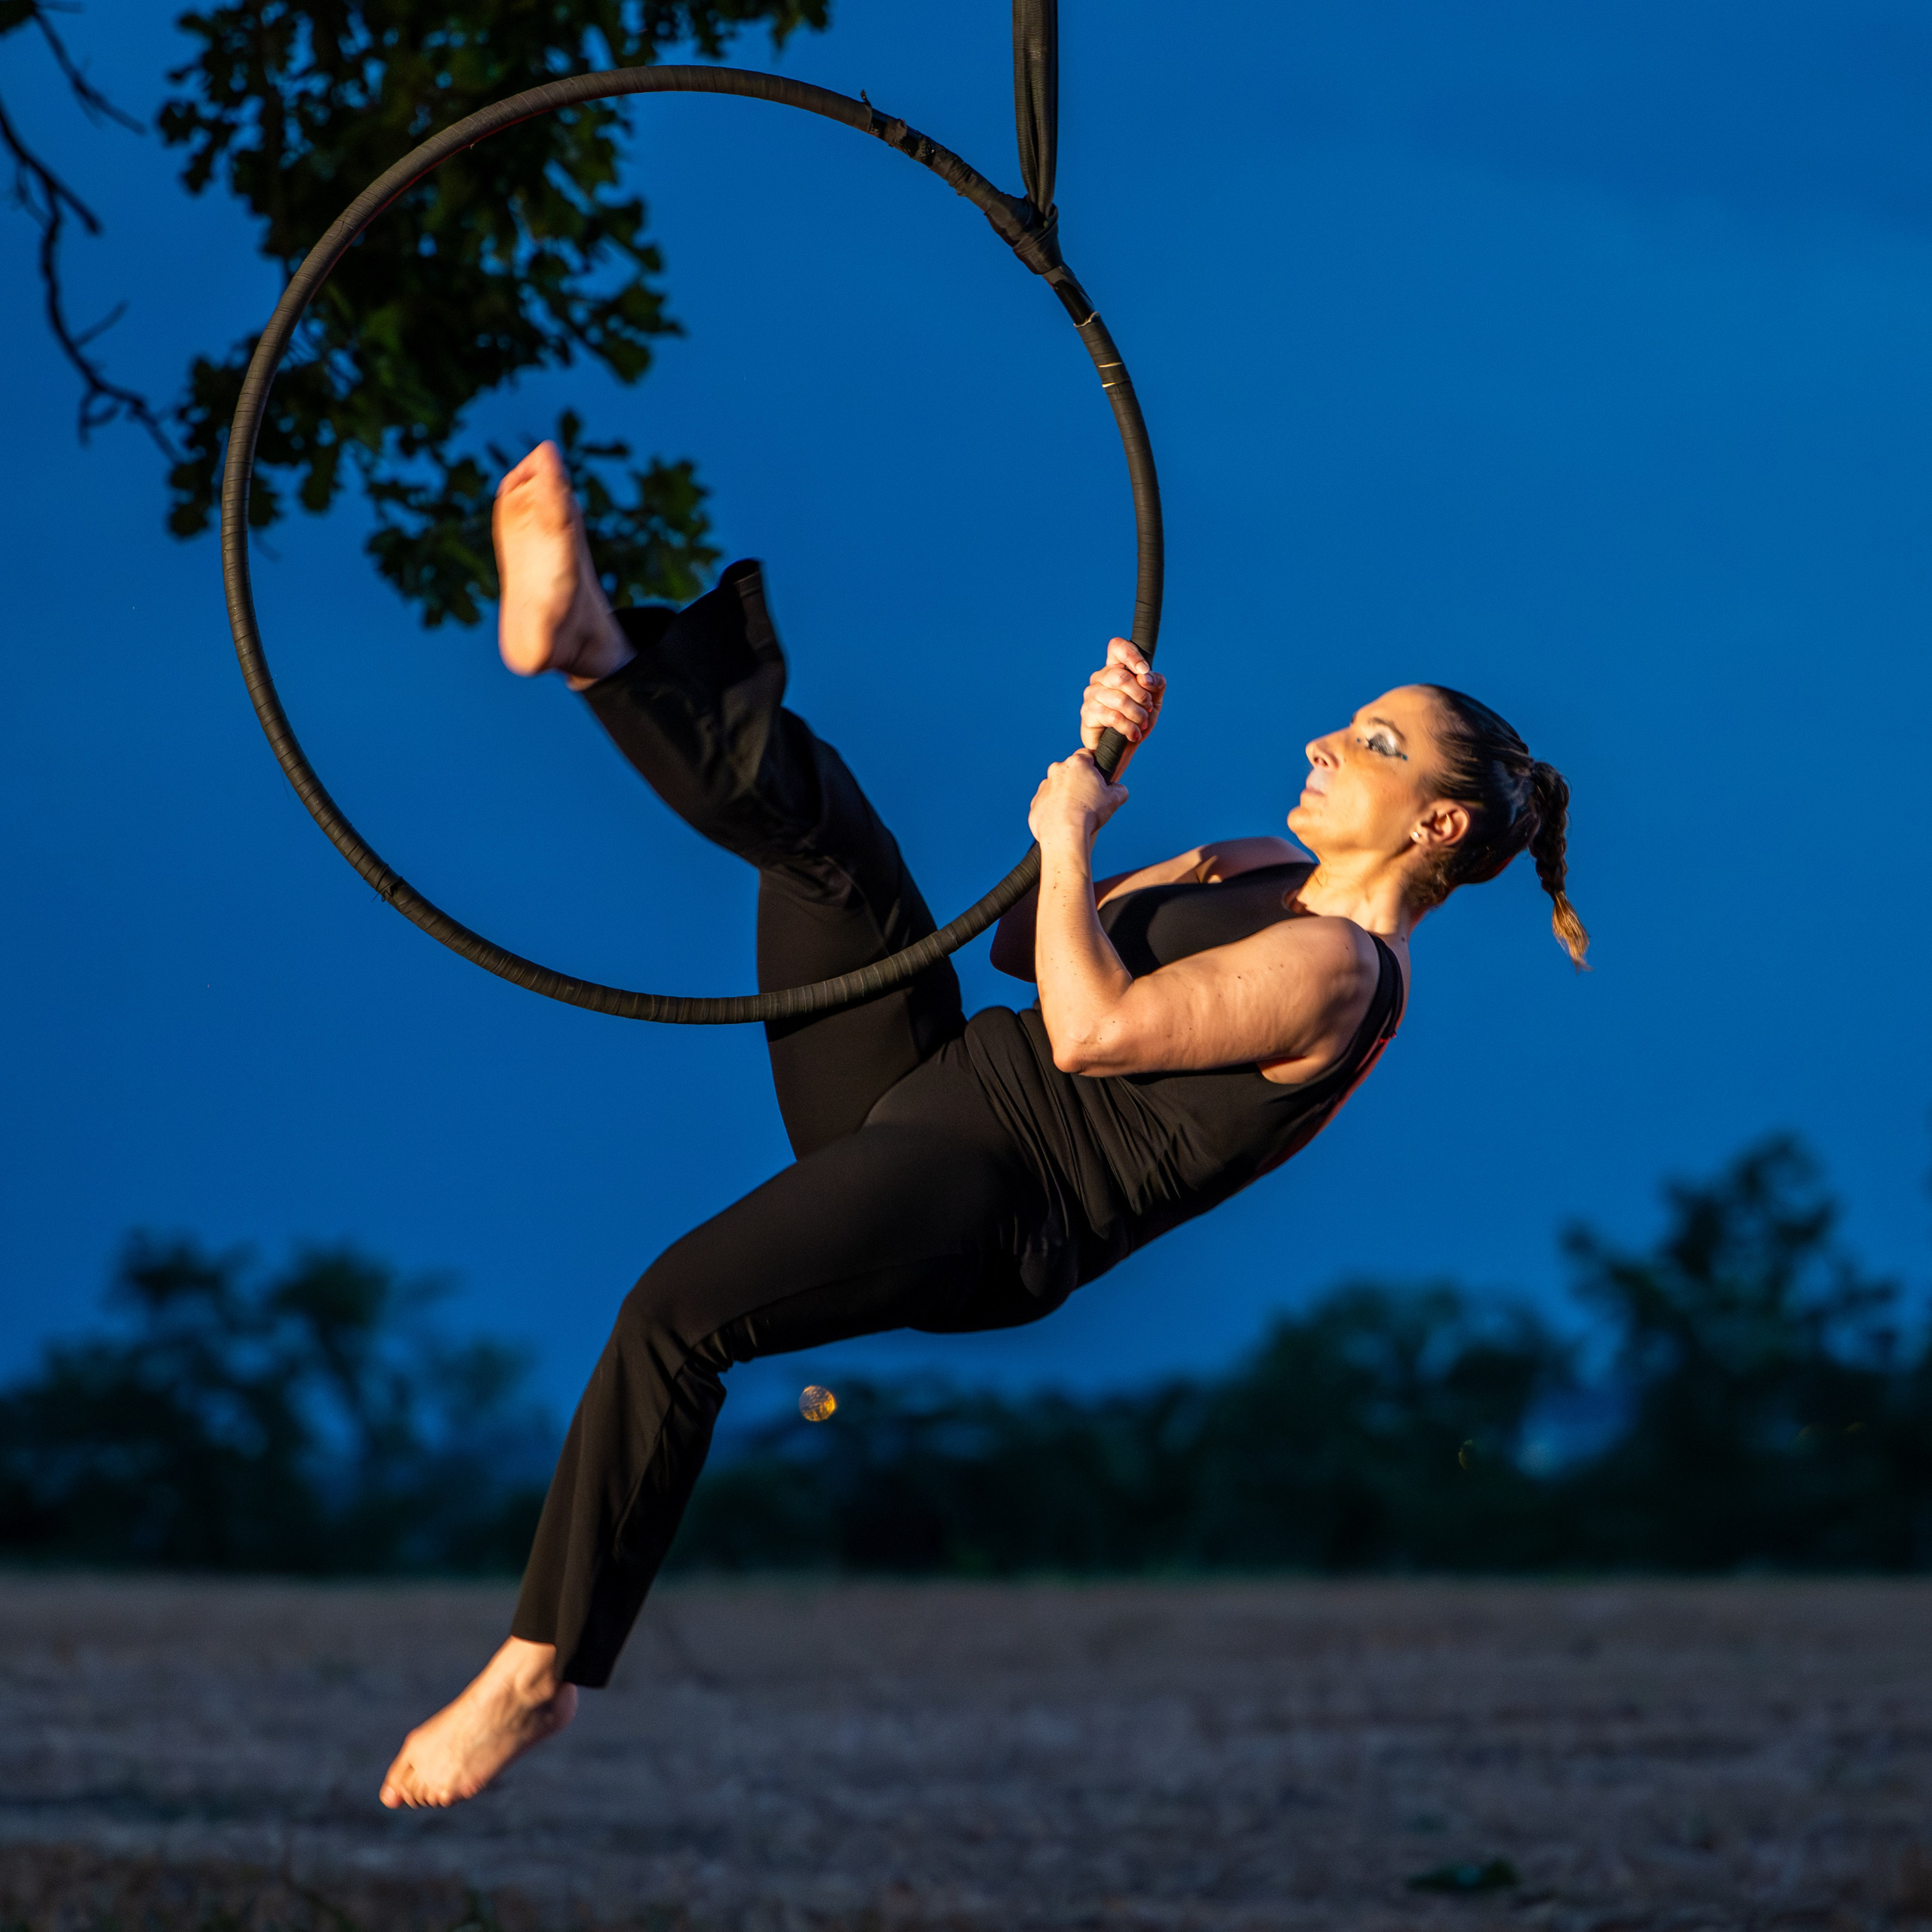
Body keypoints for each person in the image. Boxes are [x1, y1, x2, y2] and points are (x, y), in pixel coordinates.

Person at [378, 441, 1589, 1809]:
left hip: (995, 1199)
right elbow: (1025, 943)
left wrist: (1071, 838)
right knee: (829, 833)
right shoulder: (1266, 866)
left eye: (1373, 742)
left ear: (1436, 824)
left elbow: (1093, 1032)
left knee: (675, 1311)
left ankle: (541, 1673)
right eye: (1346, 719)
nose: (1324, 741)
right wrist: (1096, 768)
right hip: (933, 1083)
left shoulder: (1345, 973)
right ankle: (599, 647)